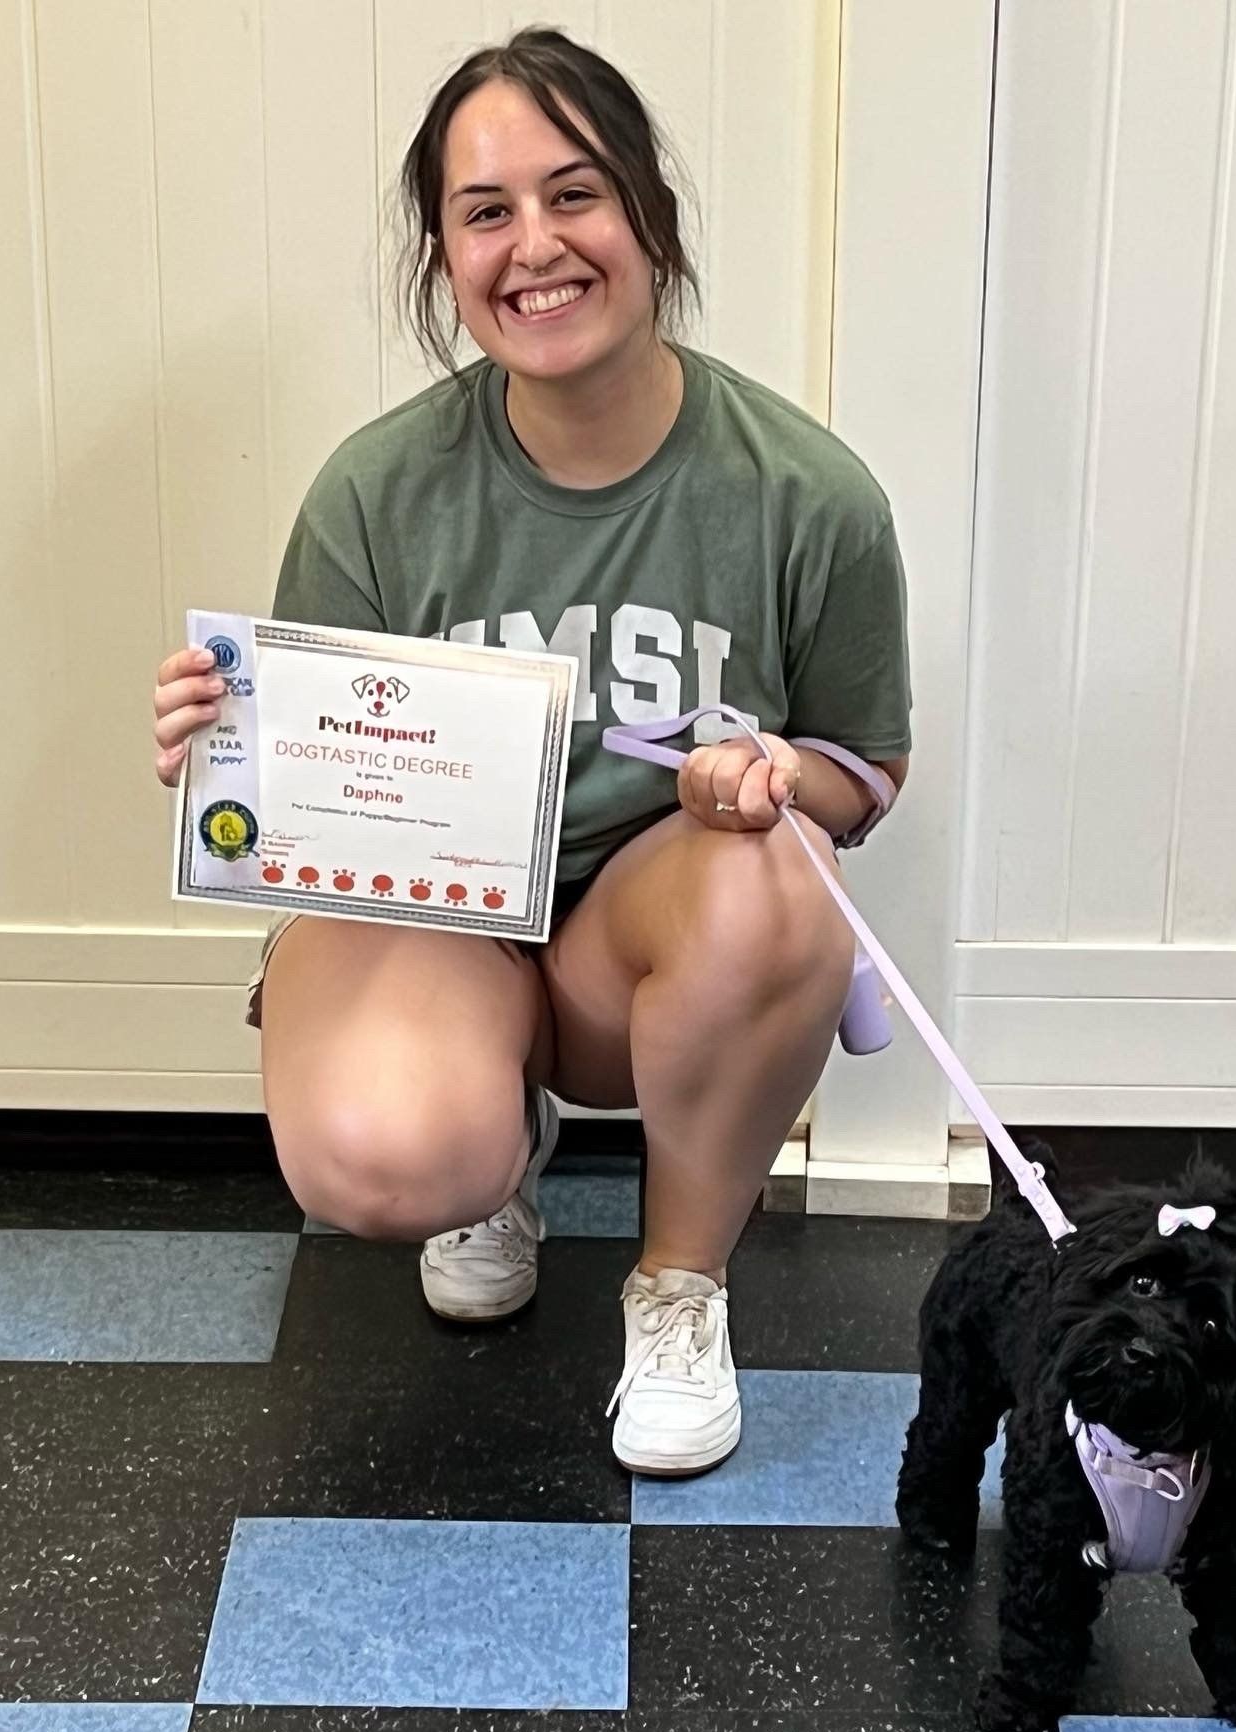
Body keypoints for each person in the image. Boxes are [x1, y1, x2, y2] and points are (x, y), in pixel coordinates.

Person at [152, 28, 911, 1478]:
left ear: (649, 217)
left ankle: (679, 1287)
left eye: (575, 196)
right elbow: (316, 789)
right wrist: (226, 749)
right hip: (442, 934)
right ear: (443, 257)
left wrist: (778, 782)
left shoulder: (809, 493)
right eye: (484, 211)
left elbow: (864, 770)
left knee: (782, 870)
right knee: (385, 1152)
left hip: (641, 950)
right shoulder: (376, 492)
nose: (535, 246)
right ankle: (488, 1156)